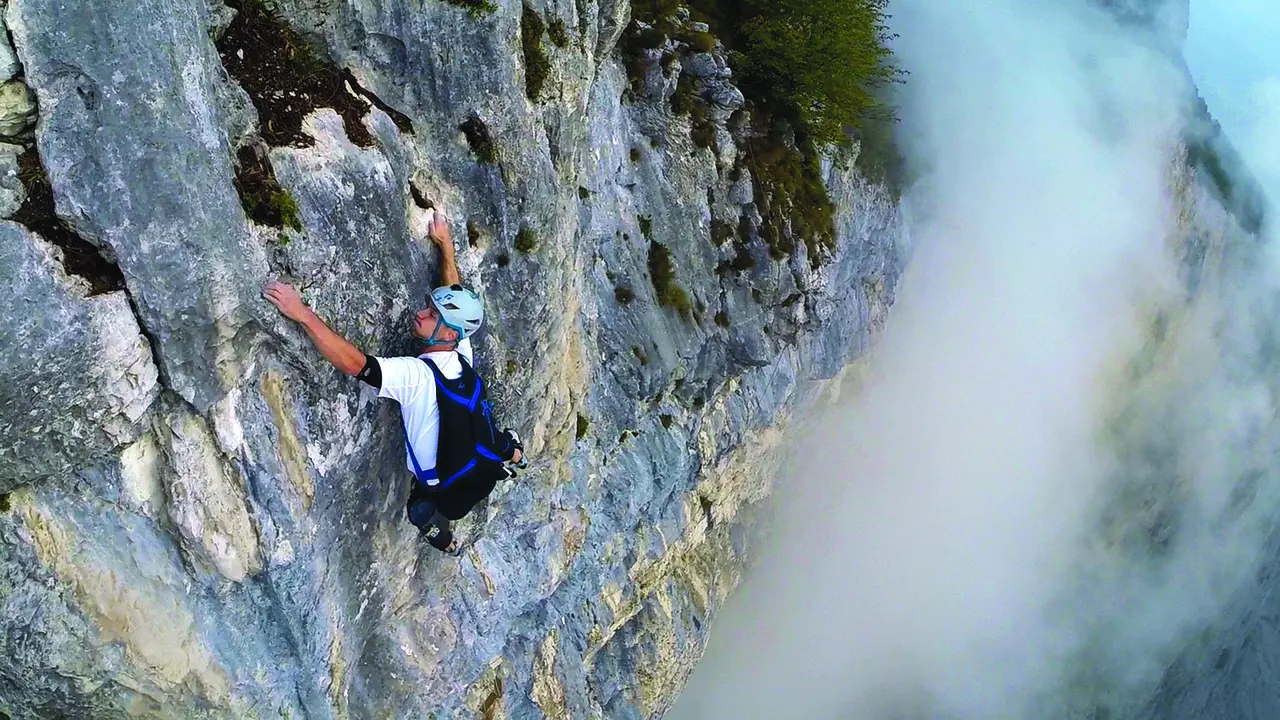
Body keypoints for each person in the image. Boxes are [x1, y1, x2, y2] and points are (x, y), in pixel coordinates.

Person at [262, 206, 524, 555]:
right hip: (479, 462)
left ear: (447, 332)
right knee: (492, 437)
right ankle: (513, 452)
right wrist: (445, 245)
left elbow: (355, 363)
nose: (421, 313)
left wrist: (303, 314)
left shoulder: (416, 376)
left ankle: (445, 541)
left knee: (419, 511)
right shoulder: (461, 353)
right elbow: (453, 288)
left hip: (440, 485)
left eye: (431, 315)